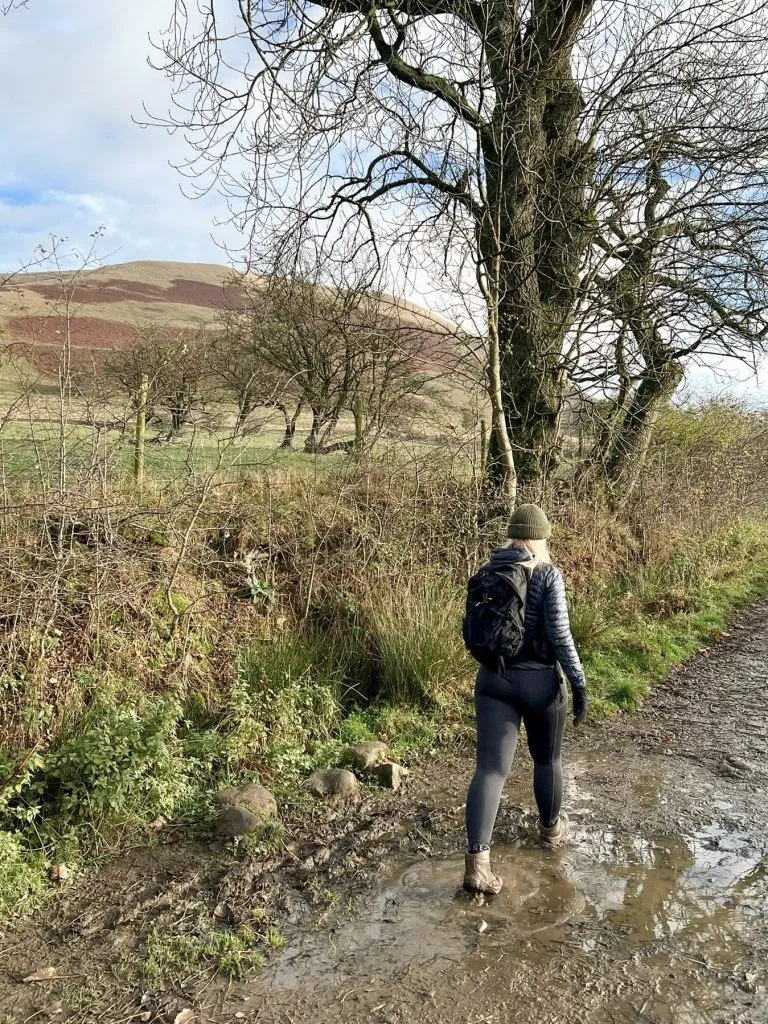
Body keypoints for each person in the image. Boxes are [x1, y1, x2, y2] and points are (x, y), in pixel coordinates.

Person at [463, 503, 588, 895]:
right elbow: (561, 636)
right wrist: (579, 683)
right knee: (547, 759)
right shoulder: (548, 574)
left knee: (490, 770)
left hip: (493, 682)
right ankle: (551, 830)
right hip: (540, 684)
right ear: (541, 538)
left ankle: (477, 865)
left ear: (511, 534)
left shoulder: (488, 572)